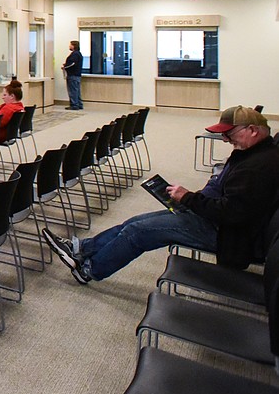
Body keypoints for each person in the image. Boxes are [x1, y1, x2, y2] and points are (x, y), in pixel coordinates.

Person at [43, 105, 279, 284]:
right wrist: (191, 199)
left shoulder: (256, 167)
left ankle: (90, 270)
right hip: (212, 218)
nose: (225, 140)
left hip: (227, 234)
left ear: (253, 130)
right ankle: (81, 249)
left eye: (230, 134)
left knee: (139, 232)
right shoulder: (252, 154)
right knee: (135, 221)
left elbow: (231, 212)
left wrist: (188, 198)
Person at [62, 40, 83, 110]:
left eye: (70, 45)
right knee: (77, 90)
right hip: (77, 75)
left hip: (72, 75)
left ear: (73, 46)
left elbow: (72, 63)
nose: (69, 46)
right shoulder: (79, 54)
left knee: (73, 91)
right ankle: (79, 104)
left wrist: (65, 67)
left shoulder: (74, 54)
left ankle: (74, 105)